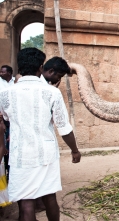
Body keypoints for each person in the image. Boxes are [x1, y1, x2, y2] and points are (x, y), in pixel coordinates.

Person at [0, 48, 81, 221]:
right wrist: (75, 150)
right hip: (46, 153)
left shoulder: (6, 94)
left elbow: (5, 117)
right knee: (49, 197)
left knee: (26, 203)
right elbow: (63, 127)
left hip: (20, 155)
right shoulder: (52, 92)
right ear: (40, 67)